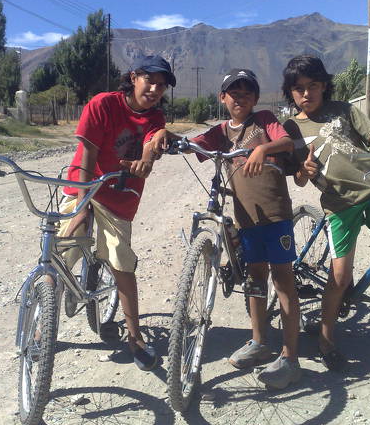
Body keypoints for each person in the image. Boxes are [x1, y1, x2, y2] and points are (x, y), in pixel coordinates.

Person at [157, 69, 302, 389]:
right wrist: (168, 137)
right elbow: (195, 143)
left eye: (247, 91)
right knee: (254, 278)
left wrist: (263, 149)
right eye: (233, 92)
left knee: (283, 281)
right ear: (222, 98)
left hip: (275, 214)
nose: (240, 97)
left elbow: (286, 141)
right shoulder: (221, 130)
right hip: (246, 219)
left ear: (255, 97)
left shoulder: (263, 119)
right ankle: (259, 341)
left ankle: (291, 358)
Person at [281, 54, 370, 371]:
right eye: (298, 88)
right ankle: (326, 339)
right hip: (340, 201)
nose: (306, 93)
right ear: (290, 92)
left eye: (313, 85)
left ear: (324, 85)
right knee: (340, 277)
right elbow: (299, 178)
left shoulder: (344, 110)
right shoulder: (290, 128)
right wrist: (305, 169)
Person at [57, 55, 176, 371]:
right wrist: (82, 206)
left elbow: (151, 146)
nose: (154, 88)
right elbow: (86, 156)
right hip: (85, 185)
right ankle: (45, 325)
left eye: (161, 85)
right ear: (134, 77)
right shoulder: (102, 105)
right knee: (63, 247)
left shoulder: (155, 118)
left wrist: (148, 159)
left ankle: (135, 338)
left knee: (121, 261)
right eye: (149, 80)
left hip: (120, 197)